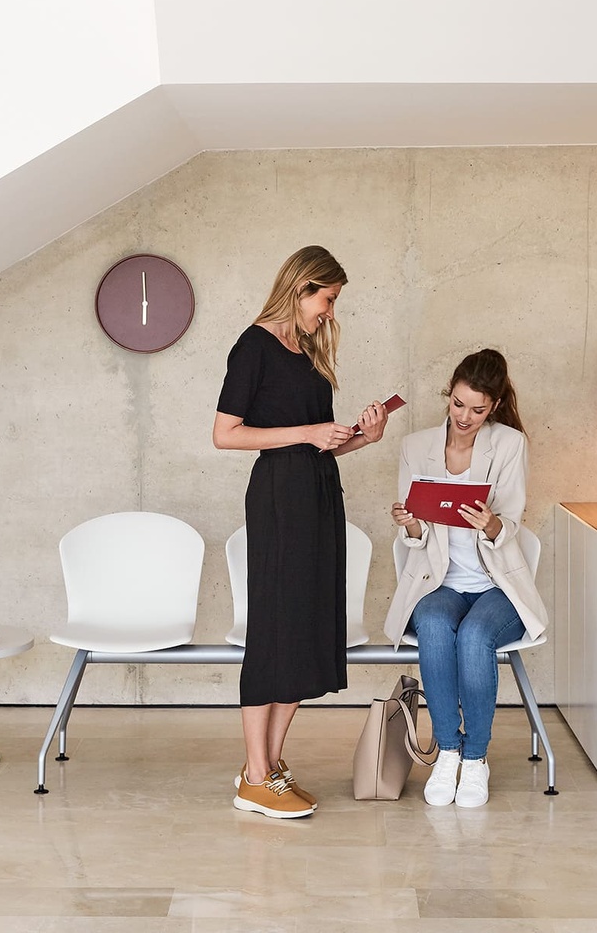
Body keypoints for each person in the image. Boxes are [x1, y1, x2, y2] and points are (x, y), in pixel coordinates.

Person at [213, 245, 389, 819]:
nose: (331, 313)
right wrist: (307, 430)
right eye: (328, 299)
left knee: (308, 622)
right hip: (279, 500)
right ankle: (254, 776)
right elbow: (226, 435)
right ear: (301, 287)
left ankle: (269, 766)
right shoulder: (253, 346)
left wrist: (365, 436)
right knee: (275, 625)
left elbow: (319, 441)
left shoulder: (306, 352)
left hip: (317, 493)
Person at [385, 349, 548, 808]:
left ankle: (475, 757)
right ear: (449, 396)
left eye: (478, 410)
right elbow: (414, 537)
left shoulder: (510, 445)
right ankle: (448, 752)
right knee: (435, 627)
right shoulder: (416, 447)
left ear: (494, 406)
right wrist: (410, 523)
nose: (465, 416)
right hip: (442, 582)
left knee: (476, 636)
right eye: (458, 404)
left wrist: (490, 523)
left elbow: (511, 522)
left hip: (496, 585)